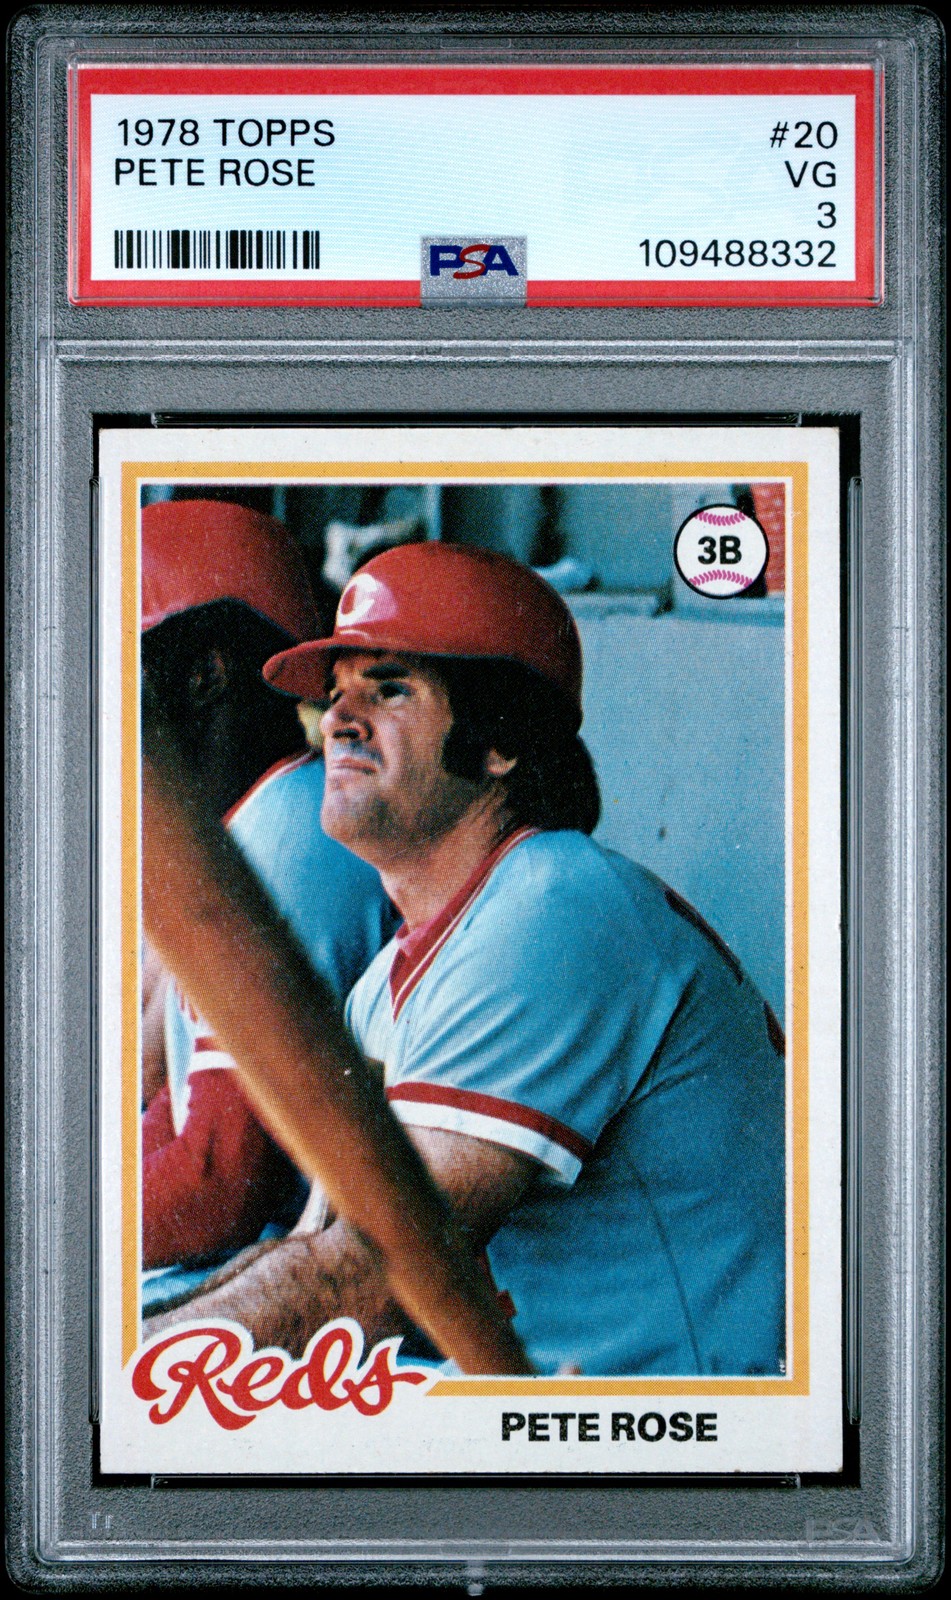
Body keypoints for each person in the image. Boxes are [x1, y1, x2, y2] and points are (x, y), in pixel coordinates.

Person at [145, 541, 786, 1376]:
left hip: (687, 1409)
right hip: (546, 1394)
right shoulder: (390, 981)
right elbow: (317, 1247)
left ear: (499, 741)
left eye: (389, 690)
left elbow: (376, 1276)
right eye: (335, 695)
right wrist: (150, 1333)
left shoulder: (553, 907)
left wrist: (139, 1365)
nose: (338, 721)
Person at [139, 499, 398, 1311]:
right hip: (265, 1267)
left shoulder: (288, 837)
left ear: (204, 676)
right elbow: (174, 1115)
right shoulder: (248, 823)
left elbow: (218, 1185)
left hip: (311, 1292)